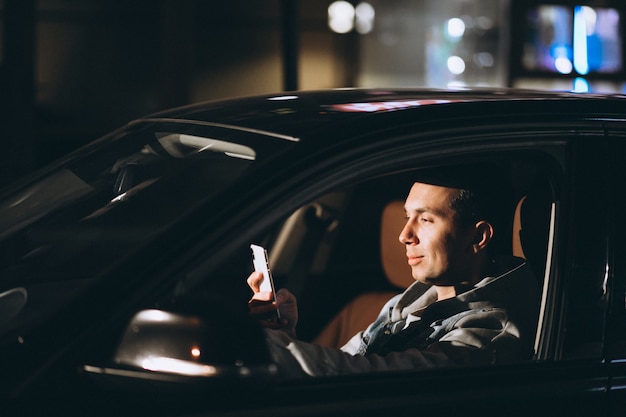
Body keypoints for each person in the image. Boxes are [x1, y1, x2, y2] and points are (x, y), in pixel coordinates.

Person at [247, 169, 540, 378]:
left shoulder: (489, 333)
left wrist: (266, 345)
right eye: (406, 217)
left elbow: (362, 380)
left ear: (478, 237)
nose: (404, 235)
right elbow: (340, 368)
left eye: (425, 219)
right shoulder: (405, 305)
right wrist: (282, 331)